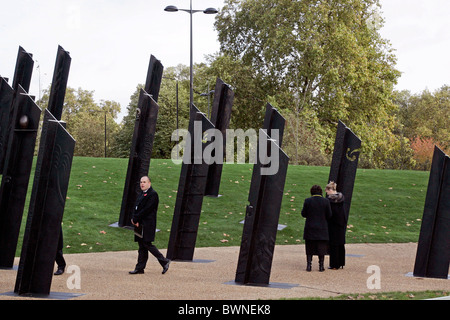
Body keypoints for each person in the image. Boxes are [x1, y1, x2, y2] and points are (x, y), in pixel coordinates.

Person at [129, 176, 170, 275]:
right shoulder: (141, 194)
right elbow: (136, 208)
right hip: (139, 224)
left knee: (147, 244)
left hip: (147, 224)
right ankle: (140, 268)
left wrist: (136, 218)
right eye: (141, 182)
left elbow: (147, 210)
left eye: (144, 182)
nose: (142, 184)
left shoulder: (153, 194)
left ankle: (164, 261)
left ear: (149, 183)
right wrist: (134, 219)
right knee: (141, 246)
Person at [301, 185, 332, 272]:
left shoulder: (307, 201)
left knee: (309, 247)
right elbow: (329, 215)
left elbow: (304, 214)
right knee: (321, 248)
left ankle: (309, 265)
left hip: (310, 227)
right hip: (322, 227)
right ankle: (321, 266)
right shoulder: (326, 201)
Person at [325, 181, 347, 270]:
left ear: (330, 189)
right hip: (341, 223)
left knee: (333, 244)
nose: (326, 192)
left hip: (333, 223)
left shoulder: (330, 200)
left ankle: (334, 264)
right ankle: (341, 262)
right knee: (340, 243)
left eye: (327, 190)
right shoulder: (341, 198)